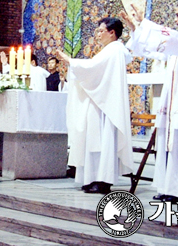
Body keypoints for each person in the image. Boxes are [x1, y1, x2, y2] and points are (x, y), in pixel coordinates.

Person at [120, 0, 178, 203]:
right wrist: (137, 29)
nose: (175, 18)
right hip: (173, 97)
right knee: (168, 144)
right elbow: (154, 51)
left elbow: (177, 42)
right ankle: (169, 187)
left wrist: (145, 24)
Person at [56, 17, 134, 194]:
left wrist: (71, 61)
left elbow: (92, 67)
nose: (98, 35)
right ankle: (92, 178)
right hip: (100, 101)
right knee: (93, 140)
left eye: (101, 31)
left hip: (106, 106)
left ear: (112, 33)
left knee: (103, 141)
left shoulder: (114, 50)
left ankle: (103, 181)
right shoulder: (112, 50)